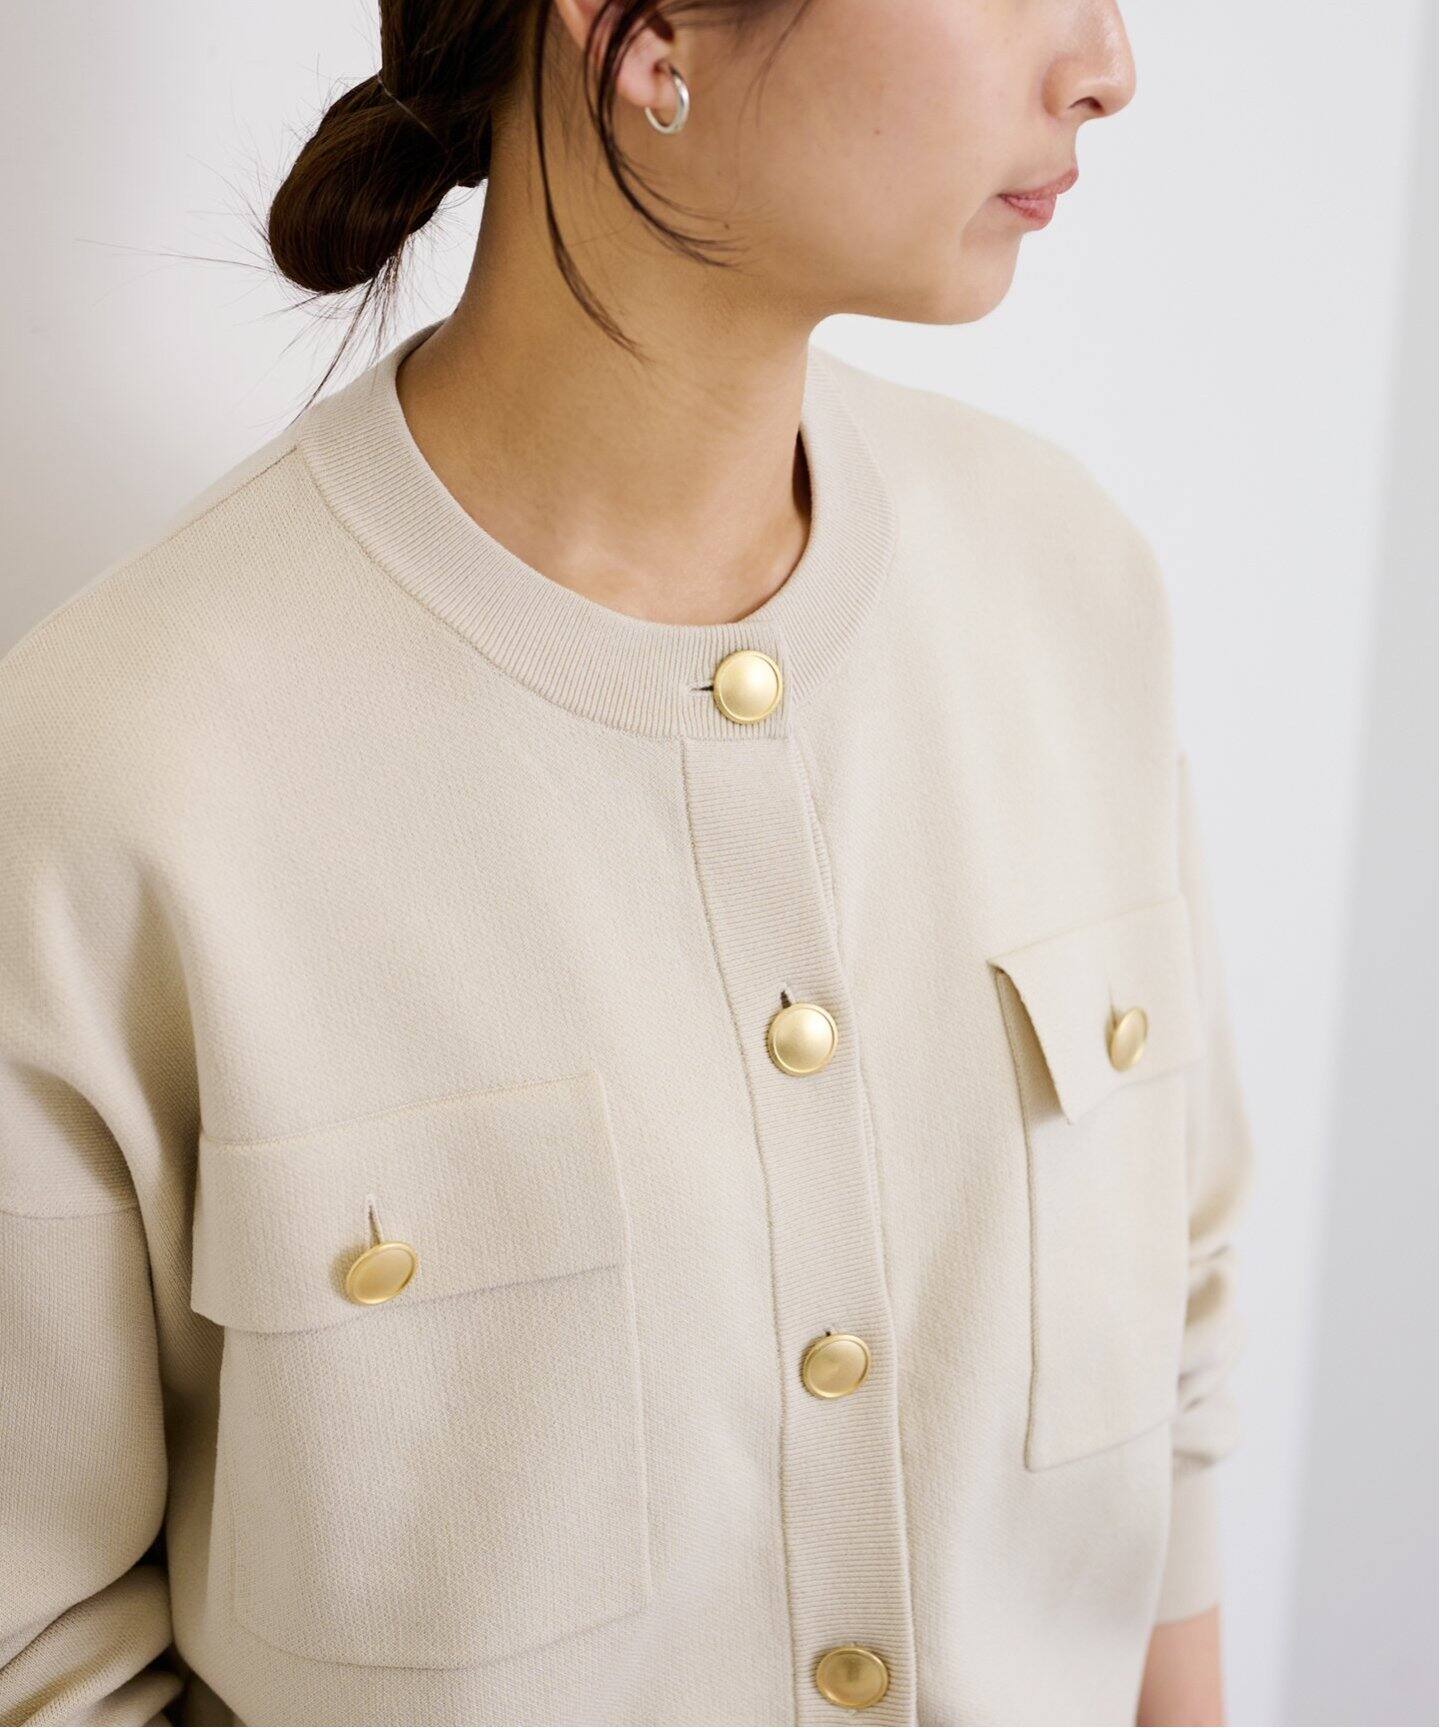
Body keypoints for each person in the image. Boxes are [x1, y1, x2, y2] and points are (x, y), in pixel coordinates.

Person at [0, 2, 1256, 1724]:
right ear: (644, 39)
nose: (1107, 63)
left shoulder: (1070, 591)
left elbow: (1179, 1360)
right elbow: (35, 1648)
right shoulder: (119, 770)